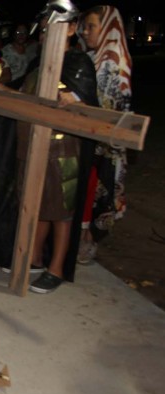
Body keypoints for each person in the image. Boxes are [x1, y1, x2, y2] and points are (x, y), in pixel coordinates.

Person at [18, 12, 99, 293]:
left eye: (53, 28)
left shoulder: (78, 62)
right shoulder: (40, 62)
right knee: (40, 204)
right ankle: (36, 257)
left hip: (65, 148)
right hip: (37, 145)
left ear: (71, 29)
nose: (46, 34)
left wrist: (74, 98)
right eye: (43, 29)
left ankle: (57, 267)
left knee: (62, 209)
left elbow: (87, 98)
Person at [77, 5, 132, 264]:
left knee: (95, 197)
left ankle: (86, 245)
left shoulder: (113, 61)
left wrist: (76, 103)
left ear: (107, 27)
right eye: (84, 26)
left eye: (91, 26)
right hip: (92, 142)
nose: (85, 32)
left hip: (103, 148)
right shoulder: (96, 57)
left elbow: (105, 108)